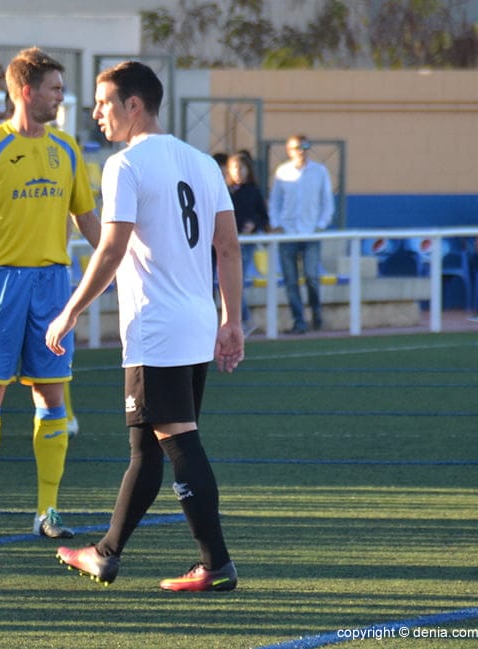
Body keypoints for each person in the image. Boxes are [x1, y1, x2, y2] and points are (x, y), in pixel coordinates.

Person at [49, 60, 242, 592]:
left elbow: (112, 248)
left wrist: (71, 310)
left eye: (103, 102)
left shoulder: (125, 165)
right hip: (197, 321)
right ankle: (106, 554)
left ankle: (216, 564)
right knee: (148, 447)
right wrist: (232, 320)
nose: (96, 113)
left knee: (179, 443)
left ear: (134, 105)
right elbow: (227, 247)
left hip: (156, 326)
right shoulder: (203, 162)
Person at [0, 47, 100, 539]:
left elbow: (87, 218)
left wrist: (127, 259)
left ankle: (47, 511)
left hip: (53, 284)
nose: (61, 97)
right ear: (27, 91)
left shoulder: (67, 149)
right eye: (55, 88)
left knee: (51, 393)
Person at [269, 134, 334, 334]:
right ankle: (299, 321)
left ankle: (316, 315)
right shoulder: (282, 172)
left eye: (305, 146)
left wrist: (320, 225)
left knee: (312, 277)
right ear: (289, 150)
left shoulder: (319, 171)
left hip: (310, 234)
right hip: (288, 234)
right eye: (297, 147)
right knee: (290, 280)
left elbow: (327, 202)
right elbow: (275, 202)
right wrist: (276, 224)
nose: (301, 151)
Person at [226, 152, 270, 335]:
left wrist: (253, 223)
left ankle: (244, 320)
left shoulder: (254, 191)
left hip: (246, 243)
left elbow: (263, 217)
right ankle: (240, 319)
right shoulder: (225, 191)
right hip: (226, 243)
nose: (238, 172)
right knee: (224, 282)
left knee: (237, 281)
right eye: (234, 168)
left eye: (241, 167)